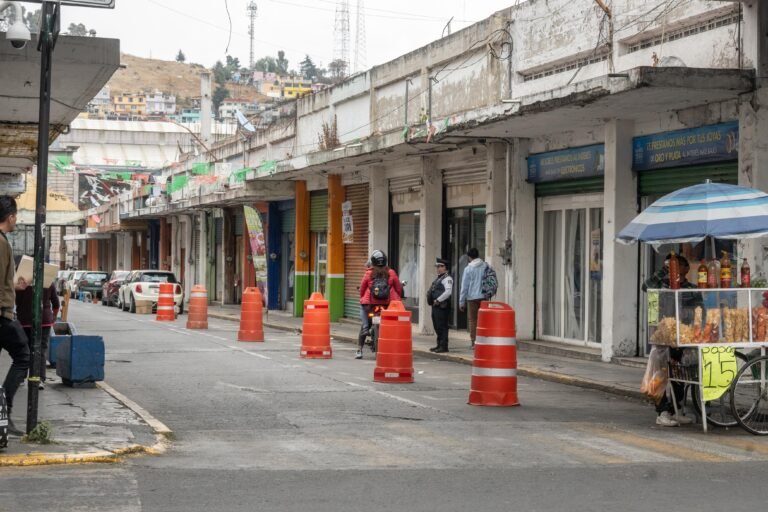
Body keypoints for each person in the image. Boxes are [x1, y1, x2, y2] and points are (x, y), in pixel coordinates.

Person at [643, 253, 701, 427]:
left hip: (682, 338)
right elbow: (645, 286)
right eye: (670, 265)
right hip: (661, 337)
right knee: (659, 376)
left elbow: (700, 309)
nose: (674, 268)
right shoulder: (661, 285)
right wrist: (663, 271)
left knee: (679, 375)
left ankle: (677, 410)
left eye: (677, 265)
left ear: (685, 268)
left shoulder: (690, 289)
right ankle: (662, 412)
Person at [0, 197, 29, 437]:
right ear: (10, 217)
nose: (16, 221)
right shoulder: (1, 243)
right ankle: (4, 411)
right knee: (23, 356)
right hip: (2, 315)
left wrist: (13, 286)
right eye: (15, 216)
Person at [14, 263, 59, 391]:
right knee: (41, 350)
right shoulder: (47, 282)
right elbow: (55, 302)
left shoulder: (21, 283)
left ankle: (21, 377)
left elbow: (16, 301)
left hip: (25, 320)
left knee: (24, 349)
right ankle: (39, 379)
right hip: (43, 321)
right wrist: (53, 317)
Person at [357, 250, 403, 359]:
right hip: (387, 305)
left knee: (364, 319)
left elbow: (362, 289)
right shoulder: (391, 272)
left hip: (370, 305)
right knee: (392, 324)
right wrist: (398, 298)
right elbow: (398, 288)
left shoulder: (369, 273)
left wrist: (363, 298)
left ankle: (359, 349)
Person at [459, 247, 486, 347]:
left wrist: (461, 302)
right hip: (484, 297)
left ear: (469, 257)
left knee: (473, 320)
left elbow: (464, 286)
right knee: (483, 319)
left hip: (472, 298)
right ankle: (483, 340)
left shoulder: (468, 269)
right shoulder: (485, 266)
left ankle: (474, 342)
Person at [427, 258, 452, 353]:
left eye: (440, 266)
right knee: (437, 325)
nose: (438, 268)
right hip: (436, 306)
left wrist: (438, 300)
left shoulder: (447, 278)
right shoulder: (439, 278)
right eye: (437, 267)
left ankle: (444, 346)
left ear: (445, 268)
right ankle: (439, 344)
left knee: (442, 326)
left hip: (442, 306)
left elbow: (448, 292)